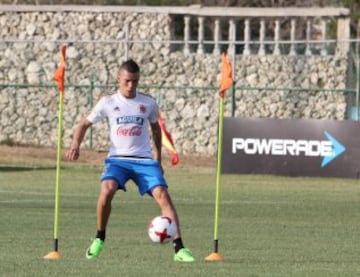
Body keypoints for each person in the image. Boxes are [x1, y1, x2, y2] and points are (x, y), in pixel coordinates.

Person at [65, 59, 195, 263]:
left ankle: (179, 248)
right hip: (117, 160)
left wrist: (158, 158)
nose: (131, 85)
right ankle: (100, 237)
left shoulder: (148, 103)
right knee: (106, 190)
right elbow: (83, 125)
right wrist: (75, 144)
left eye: (135, 81)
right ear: (119, 78)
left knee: (163, 195)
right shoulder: (107, 103)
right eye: (127, 81)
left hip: (144, 161)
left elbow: (156, 129)